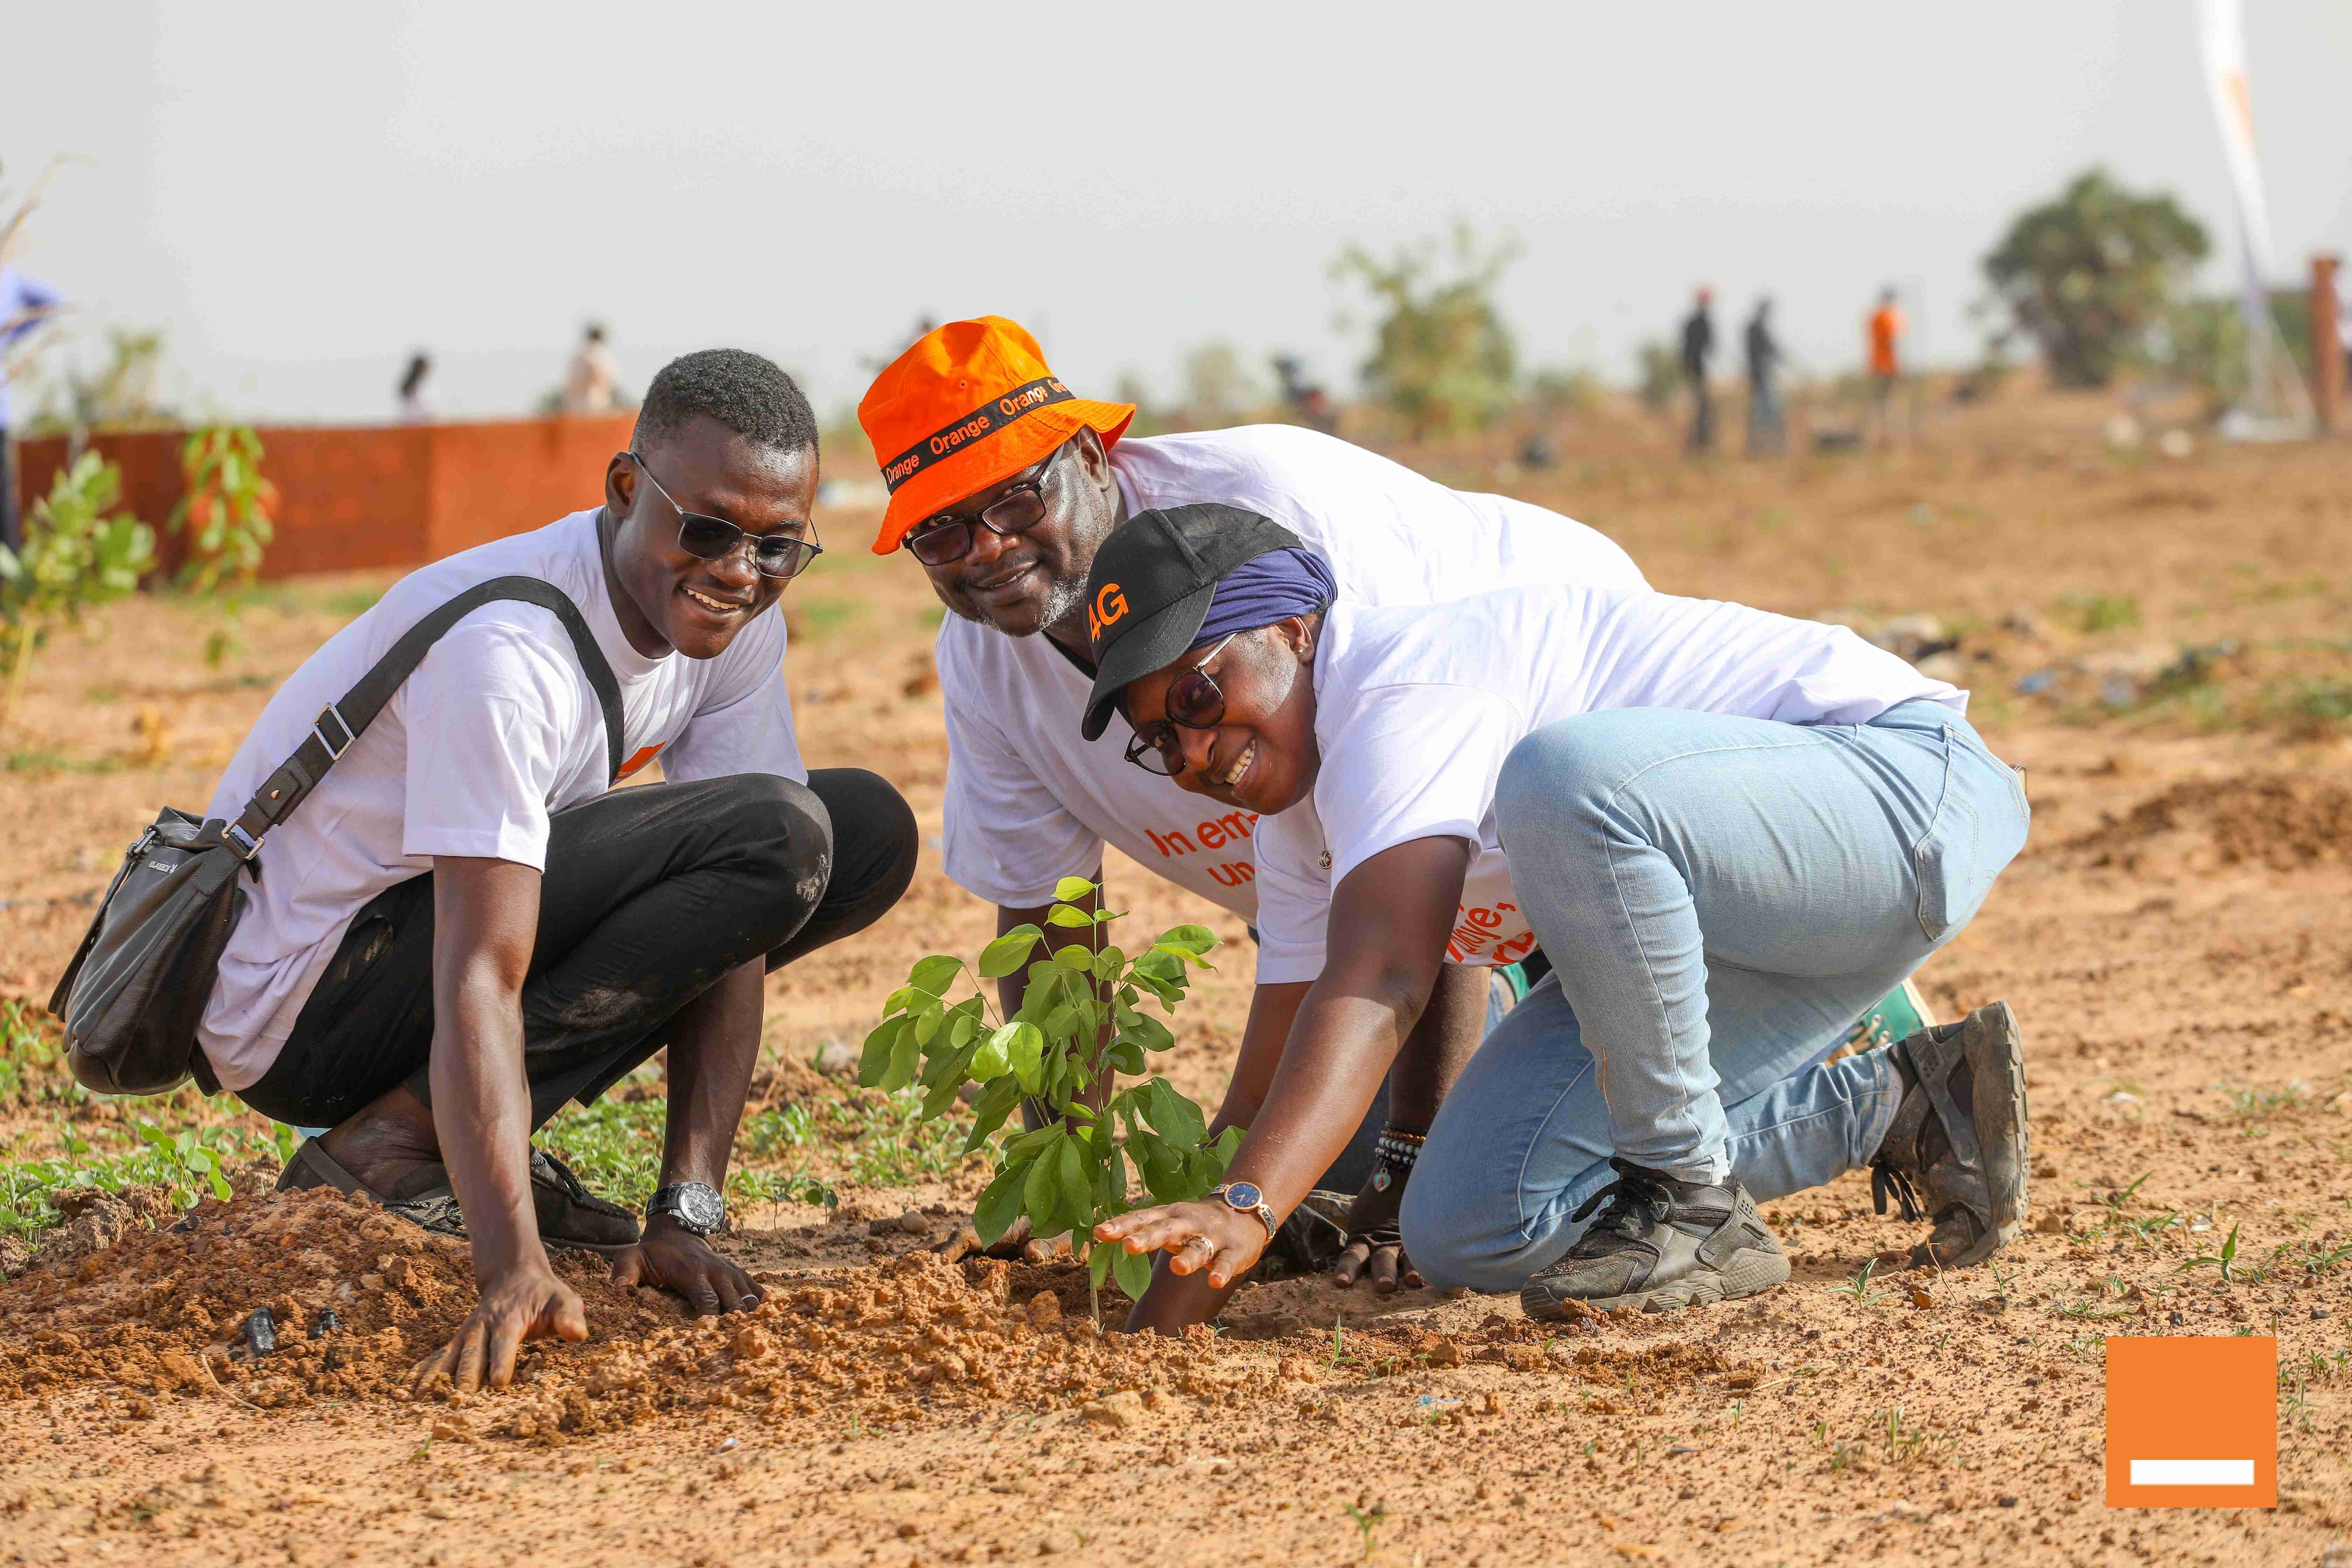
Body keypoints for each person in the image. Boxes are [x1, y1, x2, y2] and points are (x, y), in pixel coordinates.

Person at [856, 316, 1930, 1291]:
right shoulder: (987, 670)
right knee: (1382, 1168)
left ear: (1091, 460)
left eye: (1014, 501)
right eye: (943, 534)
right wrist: (1074, 1189)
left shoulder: (1263, 515)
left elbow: (1418, 857)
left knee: (1479, 1131)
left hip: (1572, 761)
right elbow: (1049, 920)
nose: (988, 550)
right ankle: (1794, 1054)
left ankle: (1810, 998)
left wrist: (1408, 1160)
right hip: (1379, 885)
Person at [1080, 505, 2032, 1333]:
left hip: (1901, 801)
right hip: (1738, 927)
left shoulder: (1407, 679)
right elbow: (1282, 1054)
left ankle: (1691, 1203)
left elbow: (1385, 978)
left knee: (1564, 780)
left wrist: (1247, 1206)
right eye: (1159, 740)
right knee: (1467, 1224)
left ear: (1292, 629)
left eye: (1199, 695)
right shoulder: (1301, 824)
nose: (1196, 751)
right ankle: (1906, 1103)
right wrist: (1159, 1313)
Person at [200, 349, 917, 1392]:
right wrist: (513, 1267)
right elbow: (478, 972)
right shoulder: (510, 658)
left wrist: (687, 1213)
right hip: (299, 1005)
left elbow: (744, 911)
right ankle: (387, 1147)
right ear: (627, 490)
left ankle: (433, 1141)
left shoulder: (733, 628)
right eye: (708, 530)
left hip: (419, 948)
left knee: (854, 832)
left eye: (778, 547)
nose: (737, 571)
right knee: (776, 833)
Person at [1, 262, 64, 554]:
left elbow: (53, 302)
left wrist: (10, 334)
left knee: (4, 501)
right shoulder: (9, 277)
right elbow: (53, 301)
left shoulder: (8, 276)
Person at [1743, 298, 1785, 458]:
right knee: (1766, 412)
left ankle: (1762, 445)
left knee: (1763, 412)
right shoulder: (1755, 328)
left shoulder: (1756, 328)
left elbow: (1771, 350)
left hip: (1761, 376)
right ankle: (1763, 445)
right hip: (1761, 377)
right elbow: (1768, 350)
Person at [1680, 287, 1716, 454]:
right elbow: (1709, 346)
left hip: (1693, 370)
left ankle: (1700, 443)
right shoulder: (1702, 322)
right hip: (1698, 371)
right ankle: (1700, 444)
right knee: (1703, 408)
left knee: (1701, 408)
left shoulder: (1692, 321)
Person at [1868, 288, 1904, 447]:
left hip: (1877, 364)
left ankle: (1883, 436)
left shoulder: (1876, 317)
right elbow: (1891, 342)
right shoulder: (1887, 317)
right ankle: (1886, 437)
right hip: (1887, 365)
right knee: (1887, 403)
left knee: (1881, 402)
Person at [563, 323, 619, 416]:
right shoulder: (600, 355)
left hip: (580, 399)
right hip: (595, 398)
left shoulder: (580, 354)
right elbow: (602, 377)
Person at [397, 352, 432, 423]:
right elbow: (423, 408)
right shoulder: (417, 387)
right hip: (415, 423)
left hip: (410, 422)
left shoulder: (415, 386)